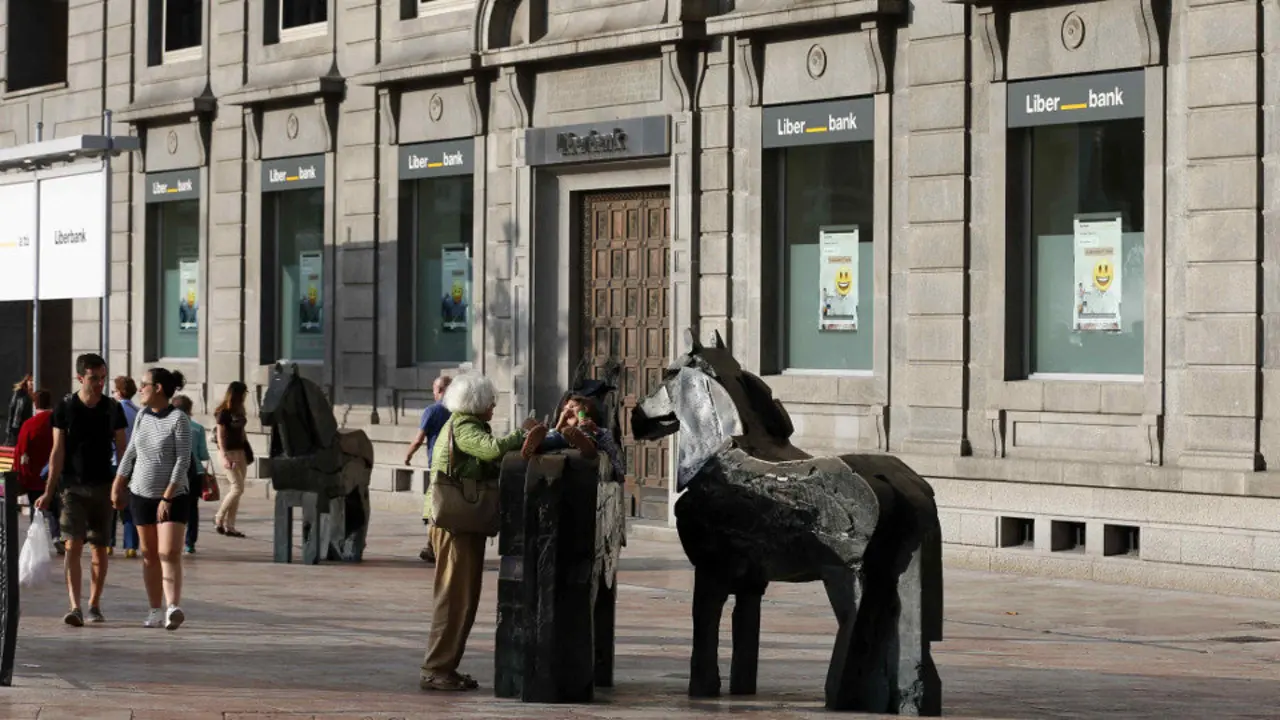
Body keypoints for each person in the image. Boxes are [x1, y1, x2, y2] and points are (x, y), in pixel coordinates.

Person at [420, 373, 529, 693]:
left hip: (461, 524)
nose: (494, 406)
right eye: (490, 401)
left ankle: (444, 667)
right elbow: (492, 450)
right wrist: (523, 435)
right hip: (455, 525)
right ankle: (435, 668)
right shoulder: (465, 426)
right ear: (476, 404)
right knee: (454, 599)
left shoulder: (466, 424)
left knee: (463, 599)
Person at [36, 353, 128, 627]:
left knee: (100, 548)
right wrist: (48, 491)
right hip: (72, 486)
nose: (100, 383)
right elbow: (57, 451)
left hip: (103, 486)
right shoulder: (65, 408)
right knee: (73, 543)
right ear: (80, 378)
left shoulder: (113, 408)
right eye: (94, 378)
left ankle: (94, 603)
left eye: (102, 378)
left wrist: (122, 485)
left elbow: (123, 449)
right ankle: (75, 605)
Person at [112, 367, 191, 631]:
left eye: (144, 384)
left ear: (158, 388)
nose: (140, 389)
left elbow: (183, 460)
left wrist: (167, 497)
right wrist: (119, 483)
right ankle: (155, 608)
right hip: (140, 494)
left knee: (168, 552)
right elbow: (131, 451)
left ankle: (172, 607)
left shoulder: (179, 419)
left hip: (172, 496)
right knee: (149, 555)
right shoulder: (143, 415)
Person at [404, 375, 453, 564]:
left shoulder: (432, 411)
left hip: (437, 466)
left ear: (439, 391)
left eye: (434, 389)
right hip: (456, 465)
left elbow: (418, 439)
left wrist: (408, 455)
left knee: (432, 508)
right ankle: (433, 546)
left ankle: (432, 547)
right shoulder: (459, 411)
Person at [523, 394, 625, 477]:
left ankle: (587, 447)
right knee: (552, 436)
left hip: (582, 435)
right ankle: (534, 446)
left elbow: (608, 439)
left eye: (572, 406)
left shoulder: (590, 424)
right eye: (565, 409)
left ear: (585, 409)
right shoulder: (561, 427)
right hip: (564, 435)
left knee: (588, 434)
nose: (567, 410)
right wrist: (561, 422)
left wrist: (594, 429)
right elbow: (556, 431)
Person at [15, 390, 59, 547]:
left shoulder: (29, 425)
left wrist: (20, 473)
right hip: (55, 473)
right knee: (54, 508)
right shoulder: (57, 420)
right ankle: (56, 535)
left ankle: (35, 537)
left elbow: (21, 450)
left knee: (36, 508)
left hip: (34, 475)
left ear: (35, 404)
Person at [171, 395, 210, 554]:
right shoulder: (198, 428)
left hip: (174, 472)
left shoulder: (170, 425)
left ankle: (172, 539)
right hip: (195, 472)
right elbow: (203, 454)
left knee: (172, 506)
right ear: (190, 409)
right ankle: (190, 542)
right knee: (192, 507)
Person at [213, 381, 250, 538]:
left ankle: (230, 526)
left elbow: (242, 432)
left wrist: (246, 453)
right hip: (228, 452)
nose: (245, 396)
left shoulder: (240, 410)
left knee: (237, 491)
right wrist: (224, 456)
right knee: (237, 488)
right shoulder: (224, 412)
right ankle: (219, 517)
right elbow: (220, 436)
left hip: (240, 452)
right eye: (244, 393)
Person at [111, 376, 141, 558]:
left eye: (114, 390)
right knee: (129, 505)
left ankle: (108, 542)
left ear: (120, 392)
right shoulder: (138, 412)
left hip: (115, 461)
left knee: (112, 504)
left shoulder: (116, 409)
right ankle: (131, 545)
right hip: (133, 463)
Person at [6, 374, 33, 446]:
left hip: (30, 427)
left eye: (33, 381)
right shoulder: (20, 393)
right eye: (31, 380)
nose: (32, 383)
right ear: (26, 381)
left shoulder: (37, 394)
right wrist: (9, 430)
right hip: (18, 427)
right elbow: (12, 411)